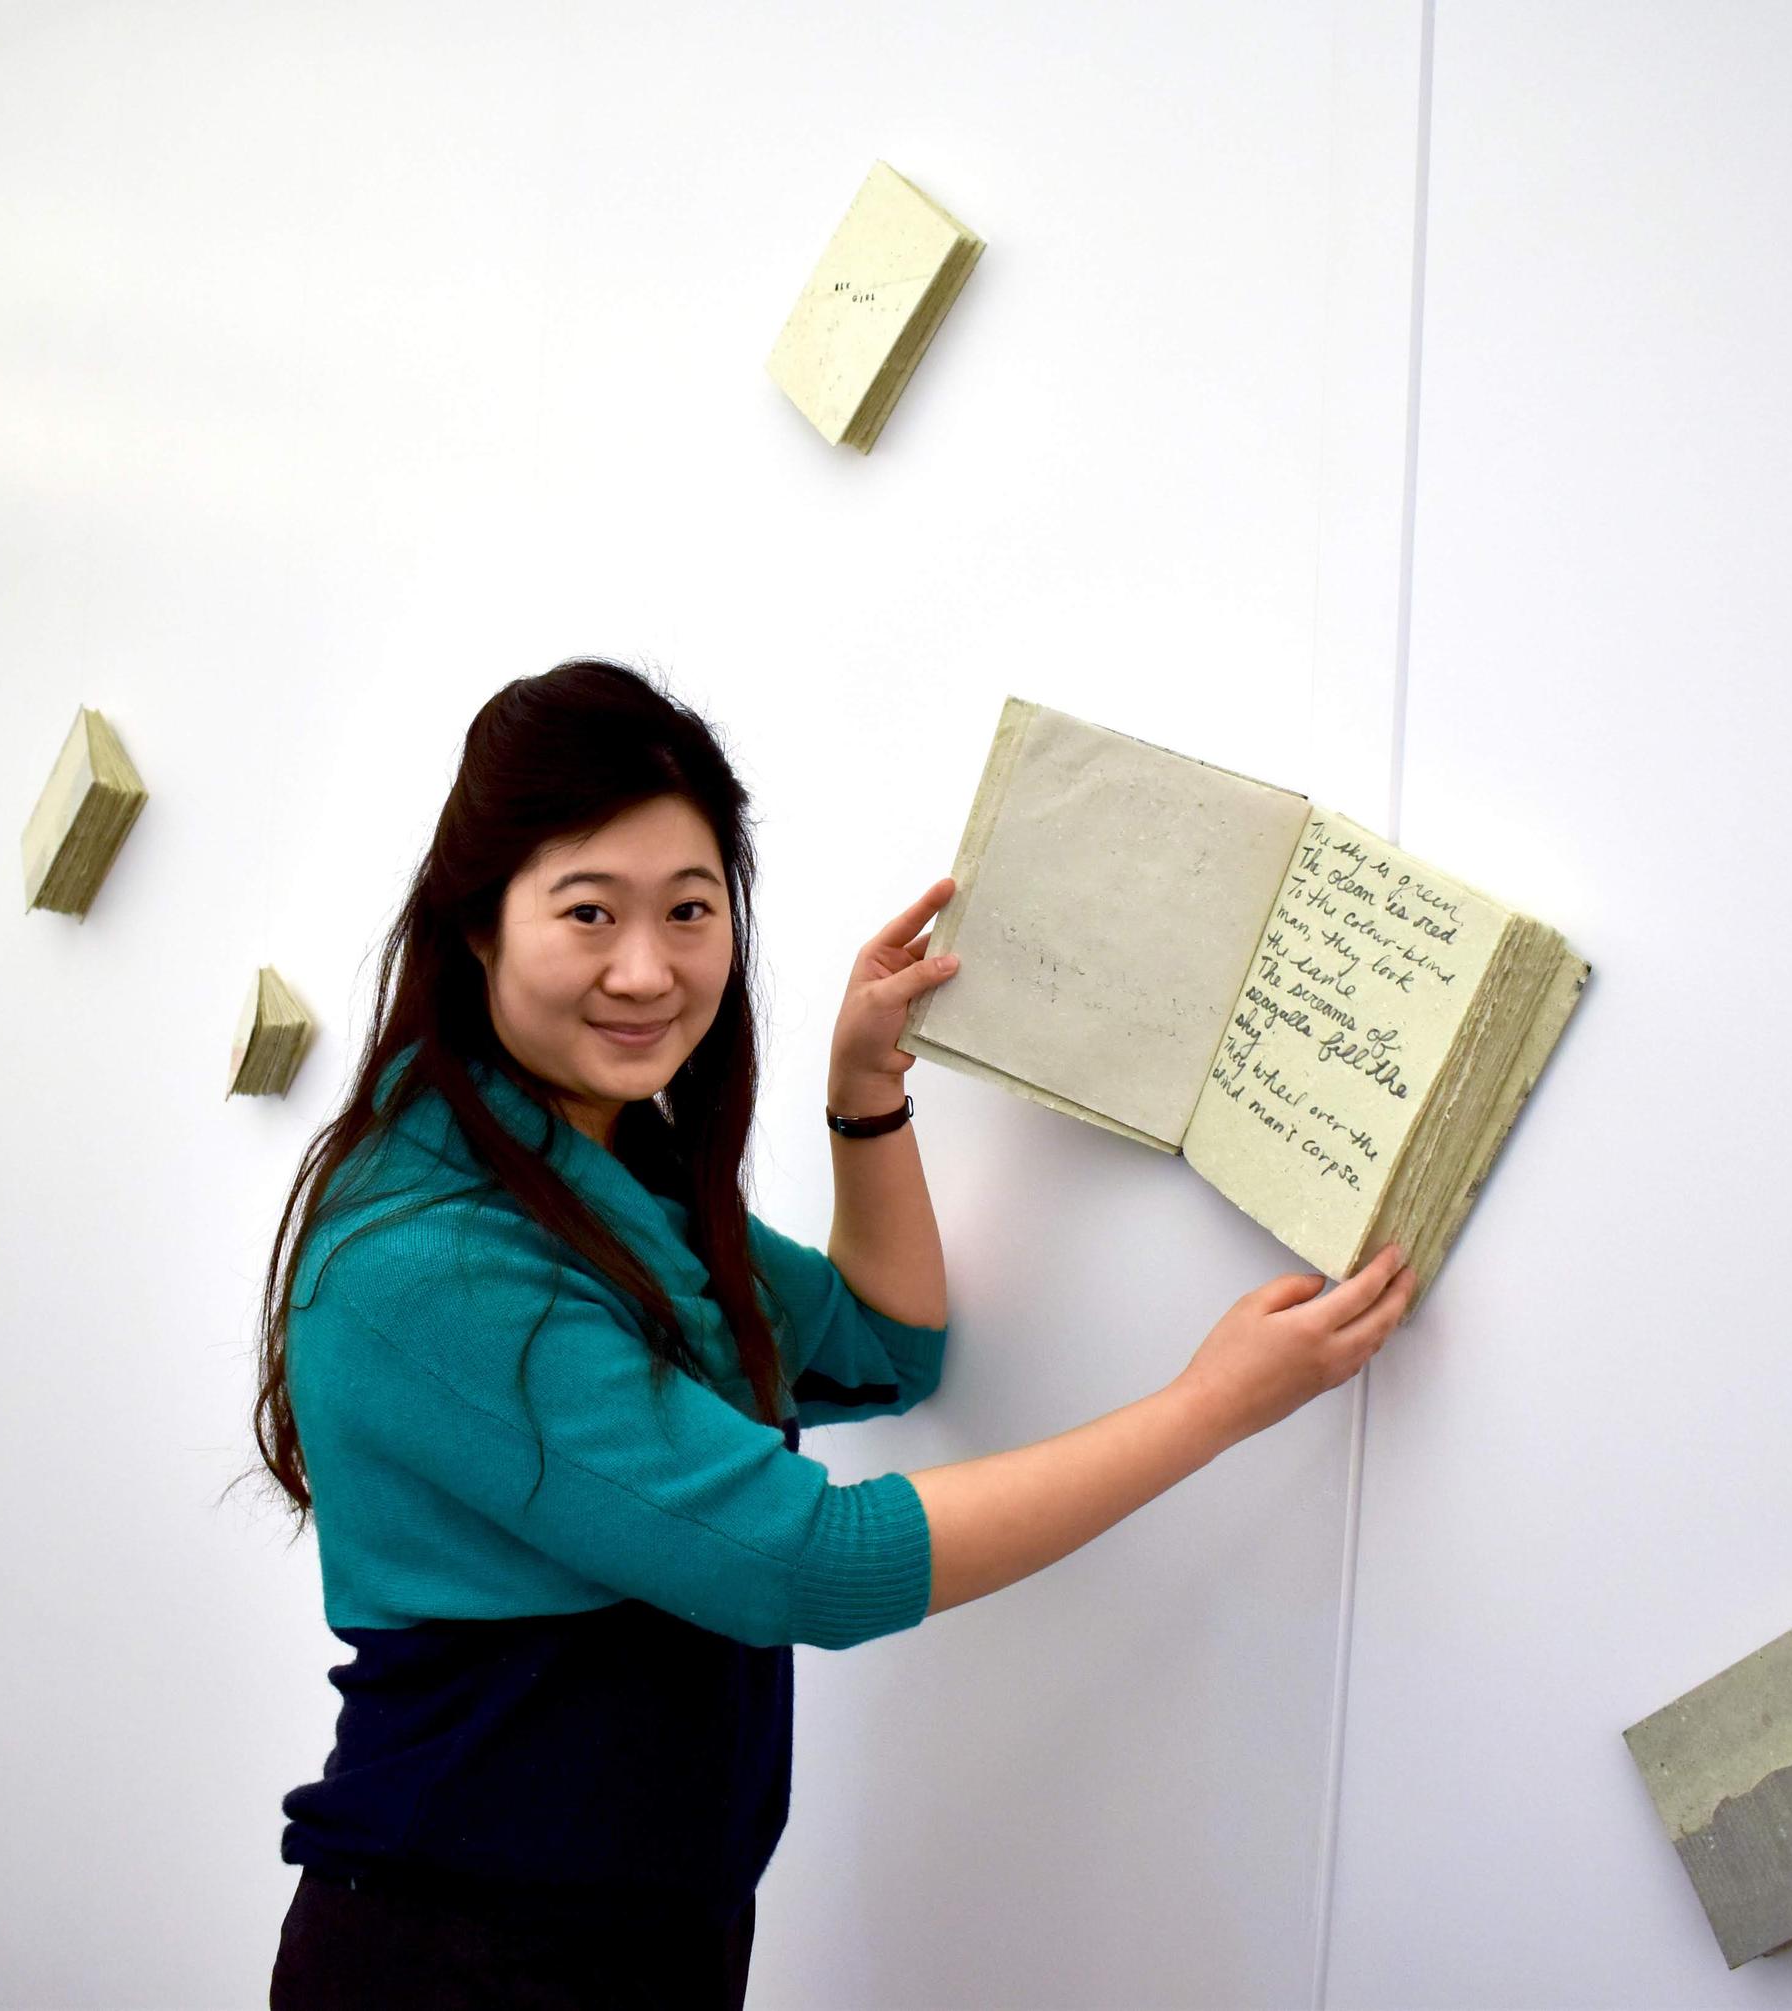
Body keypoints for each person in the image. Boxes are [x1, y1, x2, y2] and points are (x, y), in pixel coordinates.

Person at [253, 660, 1414, 2010]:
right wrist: (1209, 1406)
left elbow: (881, 1345)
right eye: (588, 913)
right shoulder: (430, 1256)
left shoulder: (606, 1171)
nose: (649, 968)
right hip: (464, 1957)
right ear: (476, 930)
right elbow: (811, 1564)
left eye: (691, 910)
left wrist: (865, 1090)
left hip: (643, 1936)